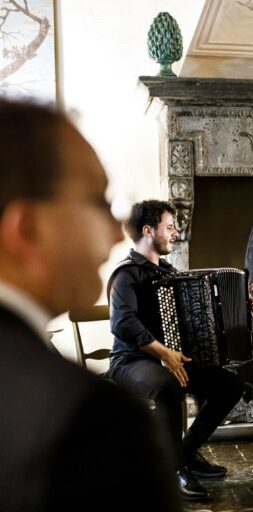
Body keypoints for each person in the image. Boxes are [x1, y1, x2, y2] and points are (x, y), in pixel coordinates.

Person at [0, 100, 181, 511]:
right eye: (98, 202)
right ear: (27, 227)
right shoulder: (93, 422)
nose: (117, 235)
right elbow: (126, 323)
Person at [106, 199, 253, 501]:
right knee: (168, 387)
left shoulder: (167, 271)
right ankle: (174, 469)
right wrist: (163, 353)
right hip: (132, 360)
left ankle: (184, 453)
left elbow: (196, 312)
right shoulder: (126, 274)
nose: (176, 232)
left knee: (230, 385)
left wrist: (237, 305)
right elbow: (123, 323)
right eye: (170, 227)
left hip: (171, 358)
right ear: (149, 231)